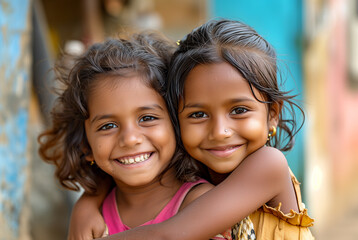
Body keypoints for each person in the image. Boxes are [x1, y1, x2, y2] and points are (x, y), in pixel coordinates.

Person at [69, 19, 314, 240]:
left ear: (272, 115)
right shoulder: (200, 163)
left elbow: (171, 235)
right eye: (198, 115)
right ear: (177, 121)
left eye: (239, 110)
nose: (219, 132)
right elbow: (124, 167)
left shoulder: (268, 164)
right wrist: (88, 203)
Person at [38, 32, 234, 239]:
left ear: (177, 123)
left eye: (147, 118)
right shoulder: (94, 218)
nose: (130, 139)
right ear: (85, 145)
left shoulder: (199, 204)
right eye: (108, 126)